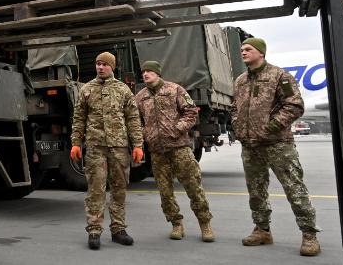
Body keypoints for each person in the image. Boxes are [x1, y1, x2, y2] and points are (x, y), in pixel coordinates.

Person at [231, 37, 320, 256]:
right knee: (256, 191)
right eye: (242, 49)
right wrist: (238, 127)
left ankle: (309, 235)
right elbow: (235, 108)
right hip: (250, 146)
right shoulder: (241, 80)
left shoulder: (279, 76)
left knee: (294, 189)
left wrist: (270, 127)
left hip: (277, 144)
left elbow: (295, 105)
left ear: (261, 52)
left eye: (248, 49)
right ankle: (262, 230)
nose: (243, 52)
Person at [70, 51, 144, 250]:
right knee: (96, 189)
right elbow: (79, 119)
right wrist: (76, 142)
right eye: (98, 64)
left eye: (104, 64)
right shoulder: (86, 90)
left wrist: (138, 145)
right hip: (95, 147)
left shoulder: (123, 90)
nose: (100, 67)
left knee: (119, 189)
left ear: (112, 67)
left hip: (119, 147)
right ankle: (94, 231)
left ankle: (118, 229)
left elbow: (133, 119)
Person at [134, 60, 214, 242]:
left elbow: (192, 112)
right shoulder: (140, 97)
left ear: (158, 73)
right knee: (165, 192)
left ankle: (205, 223)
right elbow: (134, 120)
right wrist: (145, 134)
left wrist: (178, 128)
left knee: (193, 186)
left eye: (149, 71)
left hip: (179, 148)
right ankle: (176, 224)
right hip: (157, 151)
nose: (145, 74)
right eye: (143, 71)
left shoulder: (174, 89)